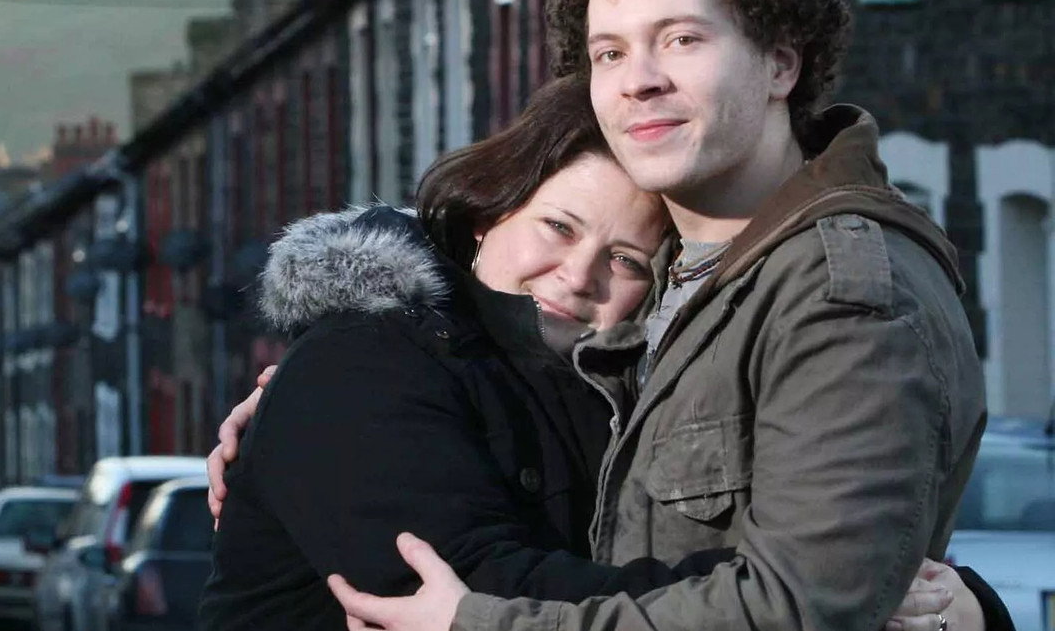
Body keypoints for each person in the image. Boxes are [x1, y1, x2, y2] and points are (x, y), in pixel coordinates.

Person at [321, 0, 1002, 630]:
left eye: (682, 39)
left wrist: (484, 625)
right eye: (610, 53)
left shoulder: (839, 291)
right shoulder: (660, 275)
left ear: (781, 64)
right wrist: (329, 393)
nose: (638, 82)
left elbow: (796, 608)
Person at [197, 76, 988, 631]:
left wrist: (957, 603)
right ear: (490, 213)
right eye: (558, 227)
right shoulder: (359, 365)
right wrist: (823, 596)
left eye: (627, 260)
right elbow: (478, 584)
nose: (578, 276)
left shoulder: (618, 395)